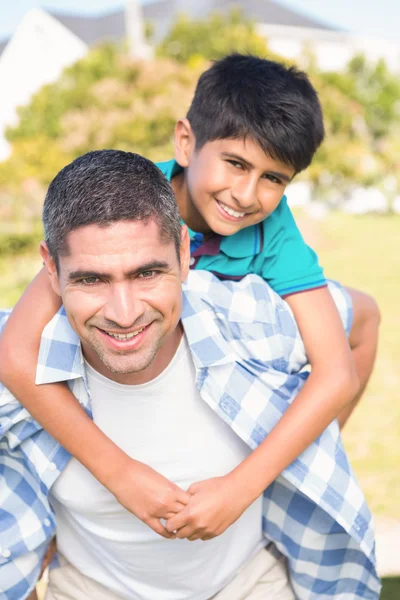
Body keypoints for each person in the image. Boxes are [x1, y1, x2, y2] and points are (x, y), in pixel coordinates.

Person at [1, 53, 380, 535]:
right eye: (236, 163)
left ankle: (297, 467)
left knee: (364, 313)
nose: (246, 194)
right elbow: (15, 352)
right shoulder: (129, 205)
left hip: (228, 392)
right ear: (186, 142)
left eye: (273, 178)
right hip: (118, 381)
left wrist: (247, 485)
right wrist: (121, 474)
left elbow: (336, 373)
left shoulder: (274, 231)